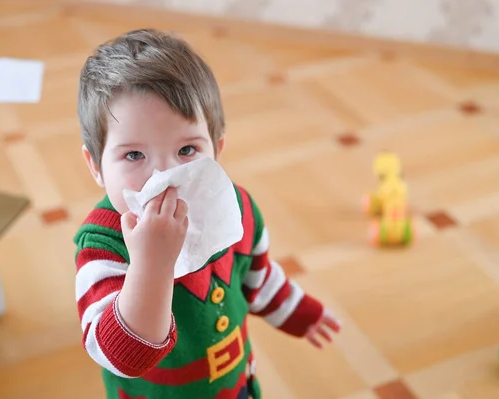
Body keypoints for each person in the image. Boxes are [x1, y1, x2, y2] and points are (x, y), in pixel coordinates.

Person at [73, 28, 341, 399]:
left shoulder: (237, 209)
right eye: (134, 155)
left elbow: (257, 277)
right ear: (96, 166)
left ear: (216, 148)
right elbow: (122, 356)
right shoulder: (102, 246)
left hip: (235, 387)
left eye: (187, 150)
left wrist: (298, 312)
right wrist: (152, 265)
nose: (164, 176)